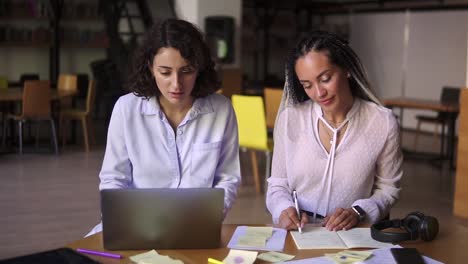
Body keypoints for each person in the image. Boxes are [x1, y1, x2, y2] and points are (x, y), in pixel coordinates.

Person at [87, 19, 241, 235]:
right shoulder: (126, 109)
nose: (176, 84)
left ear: (199, 68)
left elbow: (227, 177)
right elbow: (114, 178)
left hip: (195, 227)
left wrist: (208, 218)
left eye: (186, 71)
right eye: (165, 72)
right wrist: (122, 221)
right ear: (151, 68)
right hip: (135, 226)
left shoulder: (221, 110)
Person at [266, 31, 403, 232]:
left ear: (346, 70)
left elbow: (389, 189)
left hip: (352, 234)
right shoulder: (291, 119)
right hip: (300, 233)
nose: (319, 93)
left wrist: (358, 212)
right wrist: (283, 208)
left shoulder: (382, 122)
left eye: (326, 78)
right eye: (307, 85)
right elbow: (277, 184)